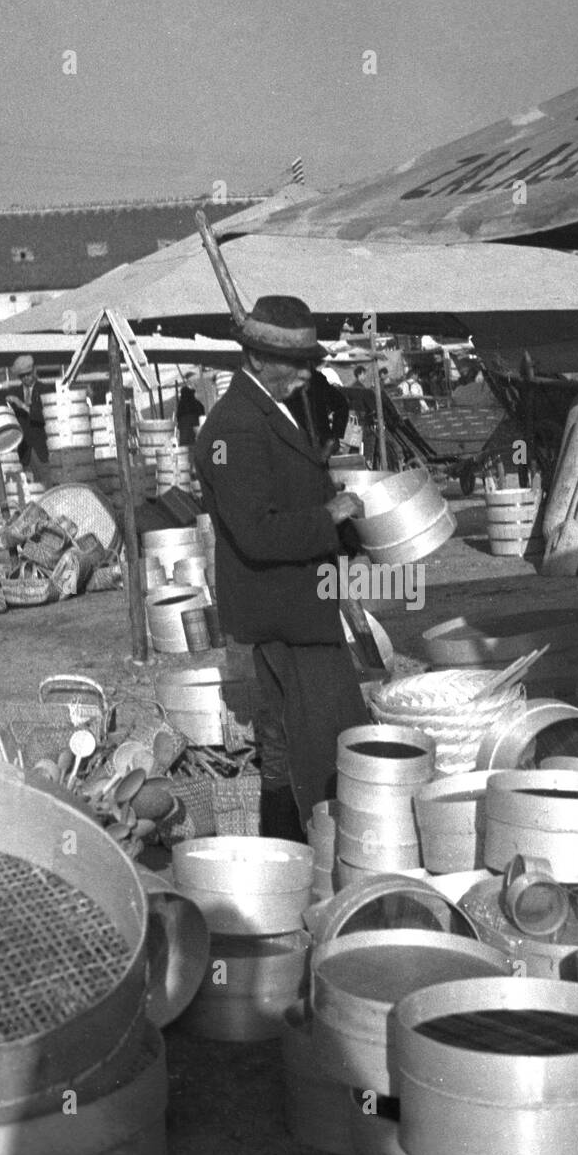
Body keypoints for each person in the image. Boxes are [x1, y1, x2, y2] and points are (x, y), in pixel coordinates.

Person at [194, 295, 369, 841]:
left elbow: (290, 487)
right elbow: (257, 531)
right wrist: (329, 514)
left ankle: (296, 852)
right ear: (257, 358)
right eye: (295, 363)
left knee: (303, 745)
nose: (305, 373)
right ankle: (312, 854)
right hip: (282, 614)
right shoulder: (235, 428)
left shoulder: (278, 406)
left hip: (302, 606)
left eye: (310, 362)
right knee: (321, 750)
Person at [8, 355, 49, 477]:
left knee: (46, 481)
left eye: (28, 374)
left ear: (34, 371)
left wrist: (22, 405)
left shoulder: (44, 390)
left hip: (42, 449)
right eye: (22, 376)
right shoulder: (15, 393)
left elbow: (43, 416)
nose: (25, 378)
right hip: (25, 451)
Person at [175, 381, 205, 448]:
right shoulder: (198, 404)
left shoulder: (181, 405)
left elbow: (178, 418)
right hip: (196, 437)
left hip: (185, 438)